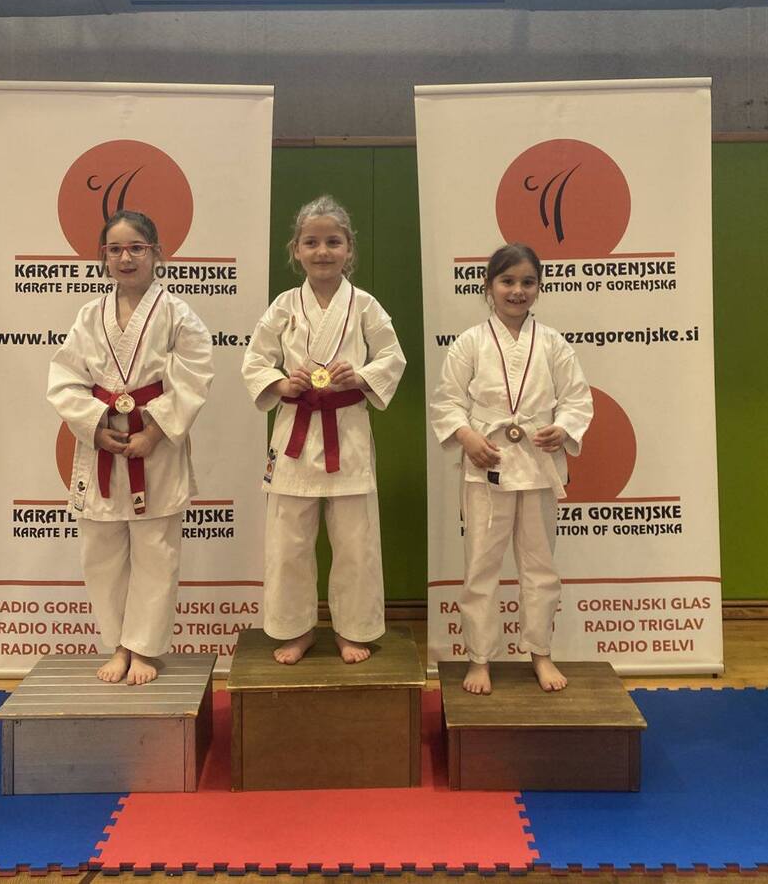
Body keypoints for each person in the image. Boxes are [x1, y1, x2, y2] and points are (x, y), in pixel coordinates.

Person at [47, 210, 213, 685]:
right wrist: (94, 426)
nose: (126, 257)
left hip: (154, 444)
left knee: (156, 550)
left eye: (137, 247)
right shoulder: (89, 315)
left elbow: (194, 378)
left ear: (157, 253)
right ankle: (118, 644)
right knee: (100, 553)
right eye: (115, 249)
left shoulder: (178, 314)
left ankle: (143, 648)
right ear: (103, 256)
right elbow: (65, 379)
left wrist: (154, 433)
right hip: (102, 443)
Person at [242, 195, 406, 665]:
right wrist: (281, 383)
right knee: (288, 542)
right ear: (296, 250)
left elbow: (392, 357)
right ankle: (295, 630)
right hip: (295, 432)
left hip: (347, 431)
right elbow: (255, 360)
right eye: (311, 242)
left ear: (349, 248)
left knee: (355, 541)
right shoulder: (283, 306)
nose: (322, 251)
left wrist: (362, 376)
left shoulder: (365, 305)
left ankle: (353, 629)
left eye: (333, 242)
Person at [430, 242, 592, 695]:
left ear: (538, 287)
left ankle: (540, 652)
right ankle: (480, 658)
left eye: (527, 282)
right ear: (489, 286)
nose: (517, 290)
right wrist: (467, 436)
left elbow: (577, 399)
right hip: (487, 462)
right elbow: (447, 401)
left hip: (539, 464)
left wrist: (562, 428)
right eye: (507, 281)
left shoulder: (554, 343)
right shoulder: (470, 343)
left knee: (541, 566)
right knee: (481, 565)